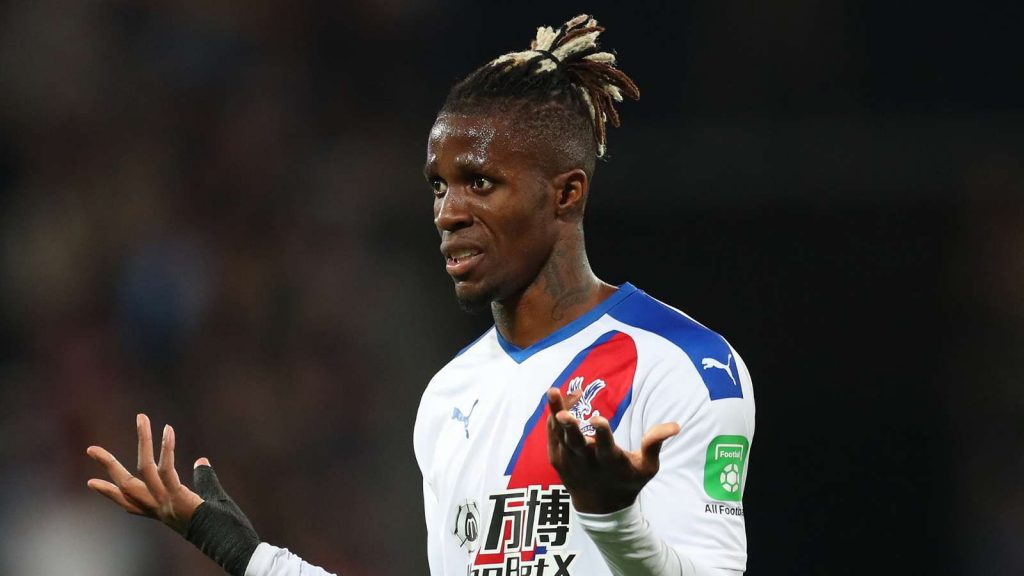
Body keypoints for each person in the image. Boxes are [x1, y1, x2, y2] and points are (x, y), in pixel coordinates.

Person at [86, 14, 755, 576]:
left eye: (480, 183)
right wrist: (243, 553)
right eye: (439, 185)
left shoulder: (684, 365)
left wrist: (612, 518)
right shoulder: (447, 397)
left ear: (566, 194)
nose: (448, 213)